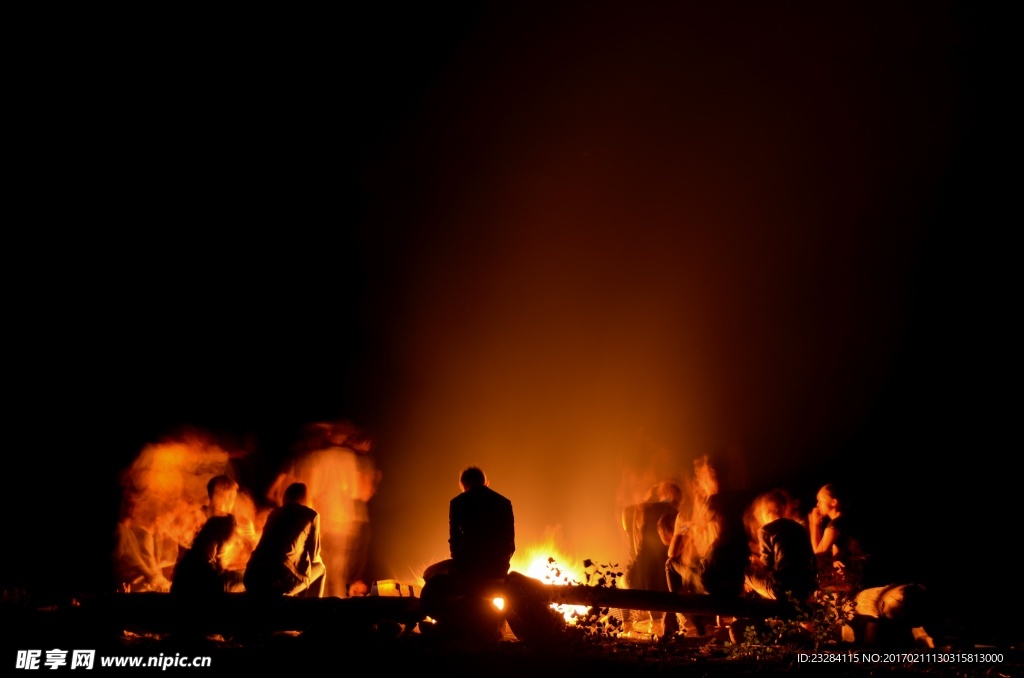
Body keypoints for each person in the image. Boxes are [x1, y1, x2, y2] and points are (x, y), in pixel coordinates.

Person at [663, 454, 749, 638]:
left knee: (672, 564)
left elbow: (673, 551)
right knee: (697, 564)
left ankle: (685, 620)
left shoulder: (712, 504)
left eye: (700, 474)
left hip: (715, 583)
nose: (697, 480)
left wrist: (681, 527)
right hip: (736, 583)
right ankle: (712, 622)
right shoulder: (735, 502)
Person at [244, 482, 326, 597]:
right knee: (320, 568)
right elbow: (314, 557)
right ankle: (313, 612)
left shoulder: (273, 514)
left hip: (251, 577)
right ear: (307, 499)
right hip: (278, 580)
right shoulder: (312, 515)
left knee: (296, 569)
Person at [622, 481, 681, 633]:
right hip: (657, 585)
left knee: (625, 579)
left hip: (635, 579)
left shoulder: (636, 511)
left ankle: (627, 624)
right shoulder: (670, 513)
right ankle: (670, 622)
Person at [744, 488, 817, 604]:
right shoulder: (799, 528)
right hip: (806, 588)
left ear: (767, 511)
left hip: (782, 590)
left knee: (743, 570)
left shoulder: (766, 530)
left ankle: (743, 609)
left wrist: (754, 560)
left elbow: (767, 566)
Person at [809, 483, 866, 591]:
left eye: (820, 500)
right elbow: (837, 554)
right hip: (861, 570)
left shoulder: (835, 525)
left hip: (860, 574)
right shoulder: (844, 521)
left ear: (834, 502)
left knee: (821, 591)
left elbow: (819, 554)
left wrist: (814, 525)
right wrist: (835, 561)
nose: (817, 505)